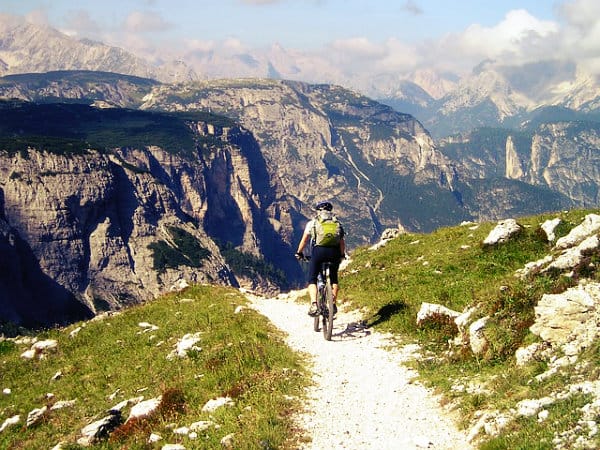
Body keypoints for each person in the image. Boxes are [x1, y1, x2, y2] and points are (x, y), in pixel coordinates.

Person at [295, 201, 346, 316]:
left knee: (312, 279)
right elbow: (342, 243)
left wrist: (299, 252)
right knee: (334, 279)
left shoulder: (312, 223)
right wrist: (342, 255)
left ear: (319, 211)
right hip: (334, 253)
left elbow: (304, 240)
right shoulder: (337, 223)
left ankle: (314, 304)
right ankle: (332, 304)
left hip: (318, 252)